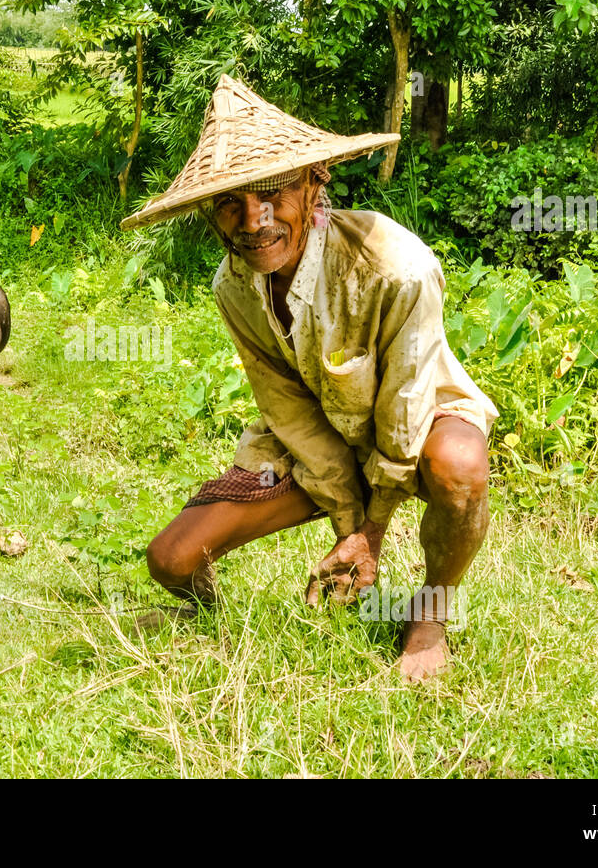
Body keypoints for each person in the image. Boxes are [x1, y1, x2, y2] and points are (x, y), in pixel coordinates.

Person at [121, 75, 499, 681]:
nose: (253, 219)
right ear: (210, 215)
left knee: (458, 469)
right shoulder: (234, 286)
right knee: (170, 560)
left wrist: (371, 532)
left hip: (417, 426)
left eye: (272, 192)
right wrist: (349, 521)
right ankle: (208, 618)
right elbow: (287, 408)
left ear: (314, 185)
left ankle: (431, 614)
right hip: (322, 440)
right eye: (229, 202)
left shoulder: (394, 266)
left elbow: (404, 406)